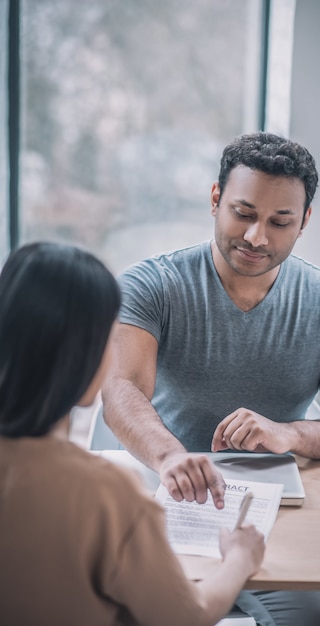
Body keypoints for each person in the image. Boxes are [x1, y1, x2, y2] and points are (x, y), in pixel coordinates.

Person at [101, 131, 320, 625]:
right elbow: (120, 389)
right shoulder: (152, 284)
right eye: (244, 213)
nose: (257, 237)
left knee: (319, 621)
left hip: (277, 513)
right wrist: (172, 457)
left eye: (280, 222)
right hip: (171, 501)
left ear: (304, 222)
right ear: (216, 199)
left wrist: (289, 433)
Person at [0, 242, 265, 626]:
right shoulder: (105, 494)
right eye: (112, 338)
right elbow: (188, 616)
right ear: (85, 355)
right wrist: (240, 558)